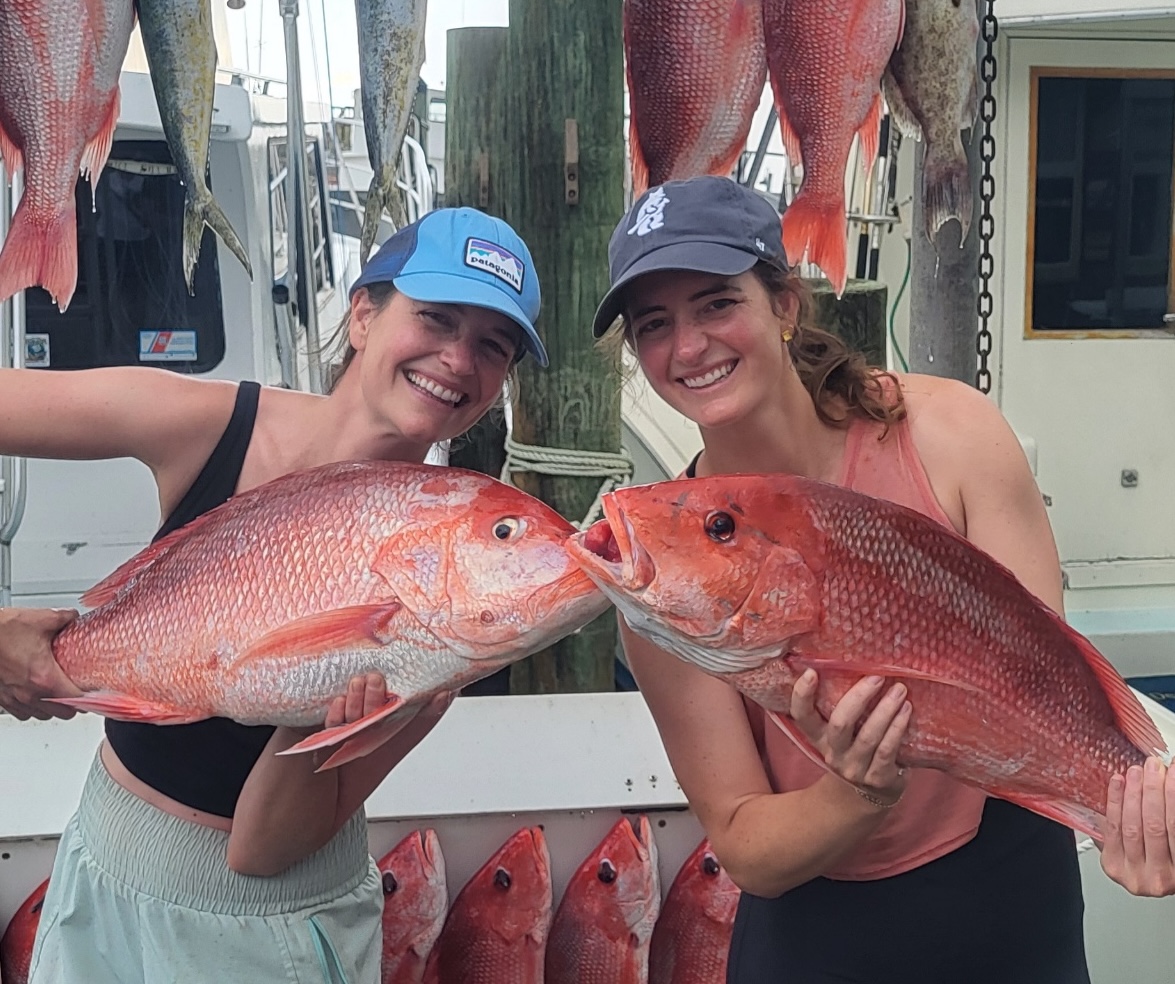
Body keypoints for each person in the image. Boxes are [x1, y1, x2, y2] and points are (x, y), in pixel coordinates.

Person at [591, 175, 1175, 984]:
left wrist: (1132, 815)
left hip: (1010, 881)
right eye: (653, 324)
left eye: (716, 303)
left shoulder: (951, 433)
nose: (687, 347)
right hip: (818, 920)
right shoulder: (665, 573)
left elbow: (1046, 670)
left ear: (783, 304)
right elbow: (746, 845)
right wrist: (858, 791)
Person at [0, 206, 549, 984]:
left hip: (267, 934)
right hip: (97, 867)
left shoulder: (451, 586)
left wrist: (317, 705)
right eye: (435, 317)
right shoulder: (213, 425)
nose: (458, 359)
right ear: (363, 314)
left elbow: (261, 850)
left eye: (493, 346)